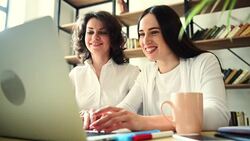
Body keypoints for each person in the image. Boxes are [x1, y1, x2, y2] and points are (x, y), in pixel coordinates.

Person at [89, 5, 230, 132]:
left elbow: (218, 116)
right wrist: (96, 117)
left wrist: (144, 122)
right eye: (142, 34)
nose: (145, 41)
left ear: (171, 32)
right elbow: (126, 108)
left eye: (154, 32)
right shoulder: (147, 72)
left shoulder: (204, 62)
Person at [69, 11, 140, 129]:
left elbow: (135, 114)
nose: (95, 37)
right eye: (90, 32)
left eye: (102, 32)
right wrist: (78, 116)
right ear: (83, 36)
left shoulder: (132, 73)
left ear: (112, 37)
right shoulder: (75, 75)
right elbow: (64, 113)